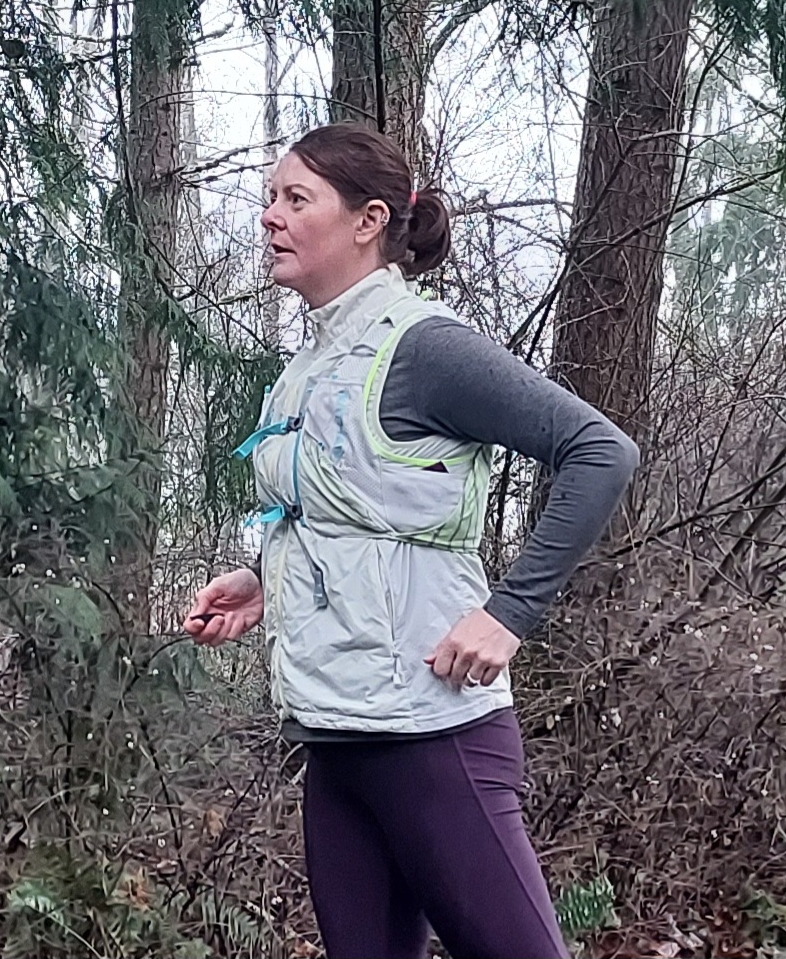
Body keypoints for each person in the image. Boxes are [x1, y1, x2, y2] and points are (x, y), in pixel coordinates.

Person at [184, 122, 639, 959]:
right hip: (334, 736)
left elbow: (601, 451)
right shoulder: (308, 365)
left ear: (369, 220)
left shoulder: (426, 348)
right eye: (268, 198)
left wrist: (509, 613)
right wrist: (260, 578)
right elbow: (355, 515)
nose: (268, 218)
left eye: (295, 198)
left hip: (436, 737)